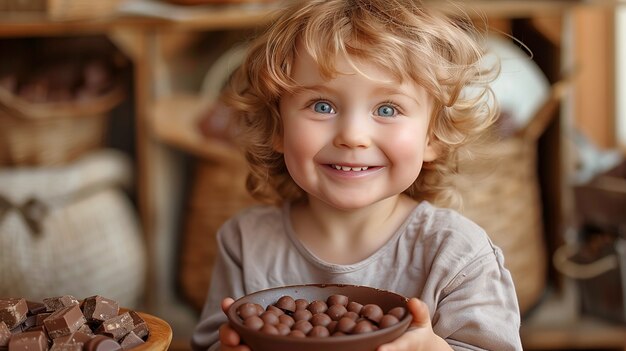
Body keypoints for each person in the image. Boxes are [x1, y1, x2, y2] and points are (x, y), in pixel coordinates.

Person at [191, 0, 522, 350]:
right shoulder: (246, 242)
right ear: (278, 127)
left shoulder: (457, 255)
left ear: (431, 138)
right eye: (322, 105)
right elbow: (212, 341)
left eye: (387, 109)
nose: (352, 135)